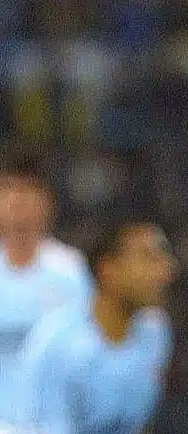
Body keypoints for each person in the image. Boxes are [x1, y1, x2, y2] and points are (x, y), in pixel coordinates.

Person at [19, 218, 175, 434]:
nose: (165, 270)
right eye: (148, 258)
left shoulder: (155, 332)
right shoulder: (57, 344)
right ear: (108, 269)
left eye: (164, 258)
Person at [0, 158, 92, 431]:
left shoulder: (72, 272)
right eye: (9, 189)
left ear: (48, 202)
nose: (18, 200)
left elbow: (85, 352)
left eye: (28, 190)